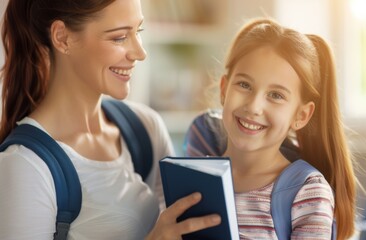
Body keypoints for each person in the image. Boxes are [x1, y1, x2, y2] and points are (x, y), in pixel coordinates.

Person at [0, 0, 221, 239]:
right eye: (119, 38)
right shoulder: (24, 166)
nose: (140, 52)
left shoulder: (145, 129)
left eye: (139, 31)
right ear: (62, 38)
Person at [184, 18, 357, 239]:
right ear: (224, 89)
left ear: (301, 115)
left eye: (276, 95)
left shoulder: (308, 193)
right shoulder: (193, 178)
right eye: (244, 85)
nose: (254, 107)